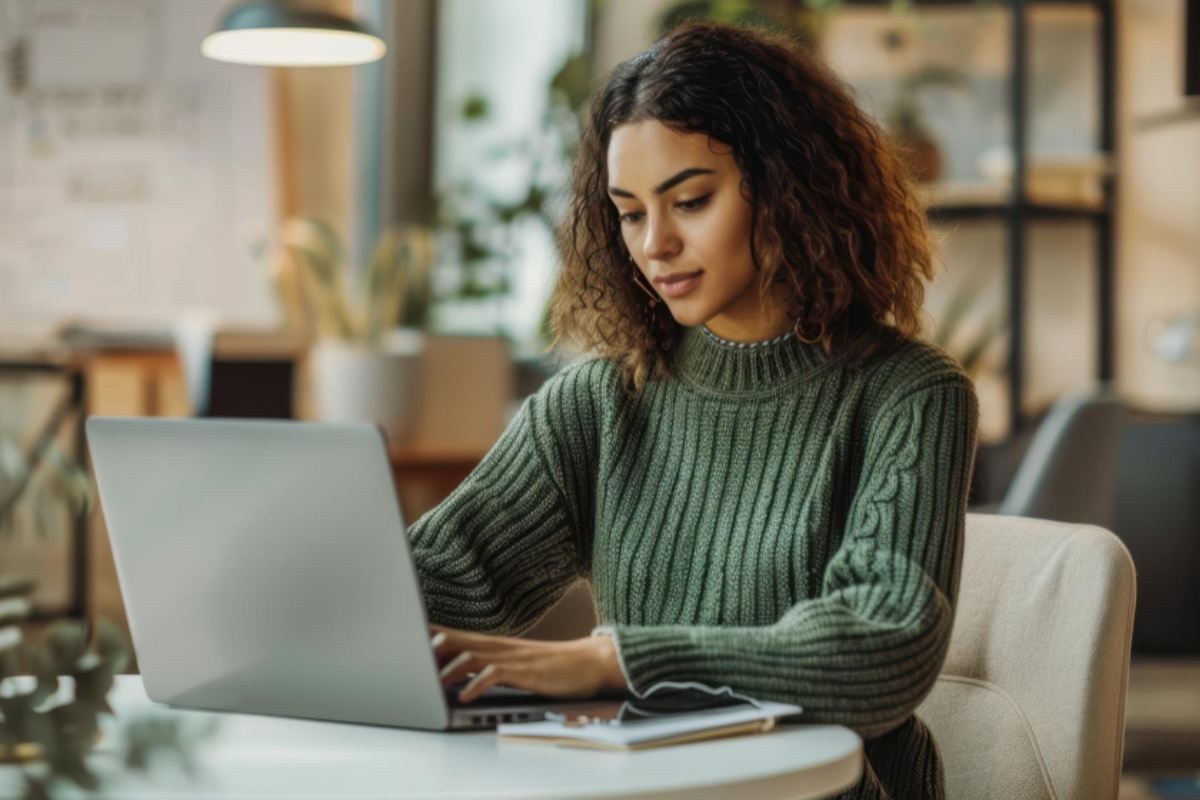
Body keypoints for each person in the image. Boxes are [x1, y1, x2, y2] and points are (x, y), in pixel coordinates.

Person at [408, 20, 978, 800]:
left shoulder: (908, 395)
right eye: (631, 212)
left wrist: (617, 660)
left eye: (691, 201)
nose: (654, 245)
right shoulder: (601, 400)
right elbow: (444, 577)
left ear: (789, 188)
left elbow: (881, 646)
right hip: (639, 786)